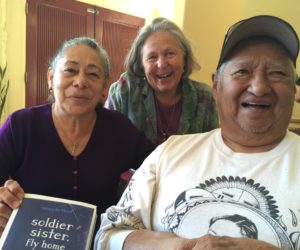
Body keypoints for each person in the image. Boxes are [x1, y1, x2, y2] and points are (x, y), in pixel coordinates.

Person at [95, 15, 300, 250]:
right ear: (217, 85)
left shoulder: (200, 98)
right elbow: (108, 235)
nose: (259, 87)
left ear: (294, 88)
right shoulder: (167, 151)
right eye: (243, 71)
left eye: (277, 73)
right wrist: (174, 246)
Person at [0, 37, 154, 240]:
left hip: (96, 243)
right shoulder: (21, 125)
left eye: (92, 74)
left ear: (104, 87)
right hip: (32, 241)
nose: (80, 82)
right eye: (70, 70)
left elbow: (158, 164)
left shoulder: (118, 129)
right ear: (50, 78)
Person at [105, 17, 218, 146]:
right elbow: (106, 147)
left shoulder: (205, 98)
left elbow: (212, 153)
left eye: (170, 53)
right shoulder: (124, 91)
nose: (162, 64)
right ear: (141, 64)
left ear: (184, 58)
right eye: (152, 57)